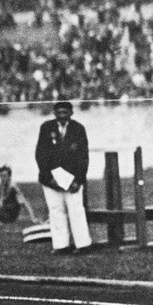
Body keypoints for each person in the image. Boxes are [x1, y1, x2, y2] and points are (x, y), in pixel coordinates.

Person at [35, 101, 91, 254]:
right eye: (59, 113)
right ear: (54, 114)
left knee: (76, 210)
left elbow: (83, 157)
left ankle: (83, 244)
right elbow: (40, 154)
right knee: (55, 210)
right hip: (51, 178)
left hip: (72, 179)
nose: (62, 116)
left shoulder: (78, 129)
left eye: (65, 113)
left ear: (71, 113)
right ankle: (61, 245)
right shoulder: (46, 128)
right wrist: (49, 178)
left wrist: (78, 180)